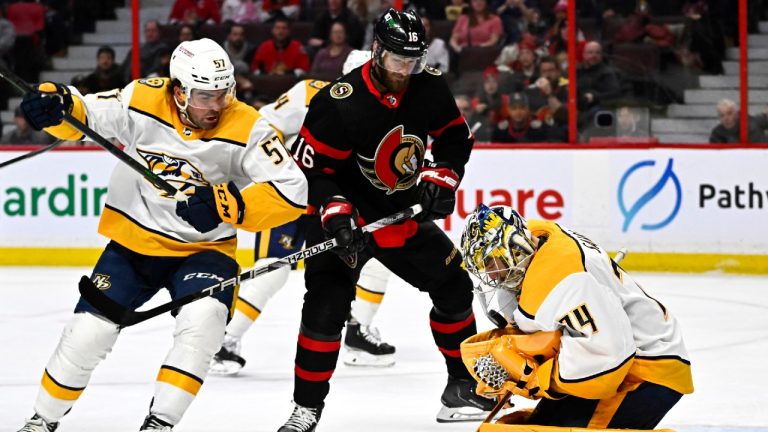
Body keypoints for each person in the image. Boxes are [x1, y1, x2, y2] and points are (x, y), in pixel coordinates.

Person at [14, 38, 307, 432]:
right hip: (136, 245)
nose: (217, 106)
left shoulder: (248, 125)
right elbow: (84, 114)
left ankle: (159, 424)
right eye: (205, 96)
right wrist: (54, 102)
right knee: (88, 333)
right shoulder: (142, 98)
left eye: (224, 93)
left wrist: (229, 205)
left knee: (203, 324)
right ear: (180, 89)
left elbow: (292, 190)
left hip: (206, 251)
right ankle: (41, 421)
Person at [275, 9, 496, 432]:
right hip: (341, 219)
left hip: (397, 213)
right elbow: (314, 174)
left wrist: (441, 176)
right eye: (397, 60)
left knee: (453, 285)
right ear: (377, 50)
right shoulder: (337, 102)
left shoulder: (428, 86)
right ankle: (306, 409)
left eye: (412, 60)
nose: (404, 70)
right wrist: (337, 216)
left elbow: (453, 138)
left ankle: (461, 387)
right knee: (326, 309)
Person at [210, 50, 399, 376]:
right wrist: (279, 168)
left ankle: (357, 332)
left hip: (334, 205)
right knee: (272, 271)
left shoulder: (382, 114)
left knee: (378, 259)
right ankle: (223, 341)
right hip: (291, 199)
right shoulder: (310, 93)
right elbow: (263, 124)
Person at [459, 204, 693, 428]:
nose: (490, 274)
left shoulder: (564, 279)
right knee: (536, 426)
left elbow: (608, 360)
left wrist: (536, 379)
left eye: (490, 261)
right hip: (627, 354)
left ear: (515, 247)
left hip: (648, 369)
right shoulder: (542, 243)